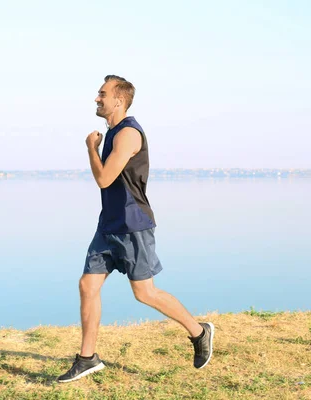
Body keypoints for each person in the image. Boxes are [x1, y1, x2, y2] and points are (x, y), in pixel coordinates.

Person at [57, 75, 214, 383]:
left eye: (102, 94)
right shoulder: (114, 131)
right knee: (87, 286)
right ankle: (88, 358)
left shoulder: (128, 134)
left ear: (120, 100)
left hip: (133, 225)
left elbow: (104, 179)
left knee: (145, 293)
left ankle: (199, 332)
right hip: (109, 224)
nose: (97, 98)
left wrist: (90, 148)